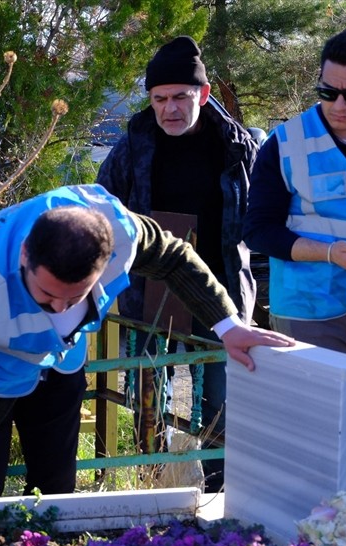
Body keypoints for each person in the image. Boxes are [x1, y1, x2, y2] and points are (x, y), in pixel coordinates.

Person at [0, 184, 293, 538]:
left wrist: (228, 326)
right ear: (24, 258)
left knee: (56, 485)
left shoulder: (120, 233)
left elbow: (175, 257)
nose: (56, 307)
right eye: (46, 295)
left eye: (72, 298)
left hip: (61, 364)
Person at [97, 35, 259, 492]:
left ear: (203, 95)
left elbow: (257, 221)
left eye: (180, 97)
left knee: (221, 406)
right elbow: (101, 214)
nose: (169, 108)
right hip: (149, 296)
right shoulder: (131, 148)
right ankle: (156, 491)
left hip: (220, 295)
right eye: (159, 98)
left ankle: (216, 498)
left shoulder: (237, 146)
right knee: (149, 406)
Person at [243, 26, 346, 357]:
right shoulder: (284, 144)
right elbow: (258, 231)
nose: (339, 105)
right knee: (321, 410)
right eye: (328, 92)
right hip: (309, 311)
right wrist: (327, 253)